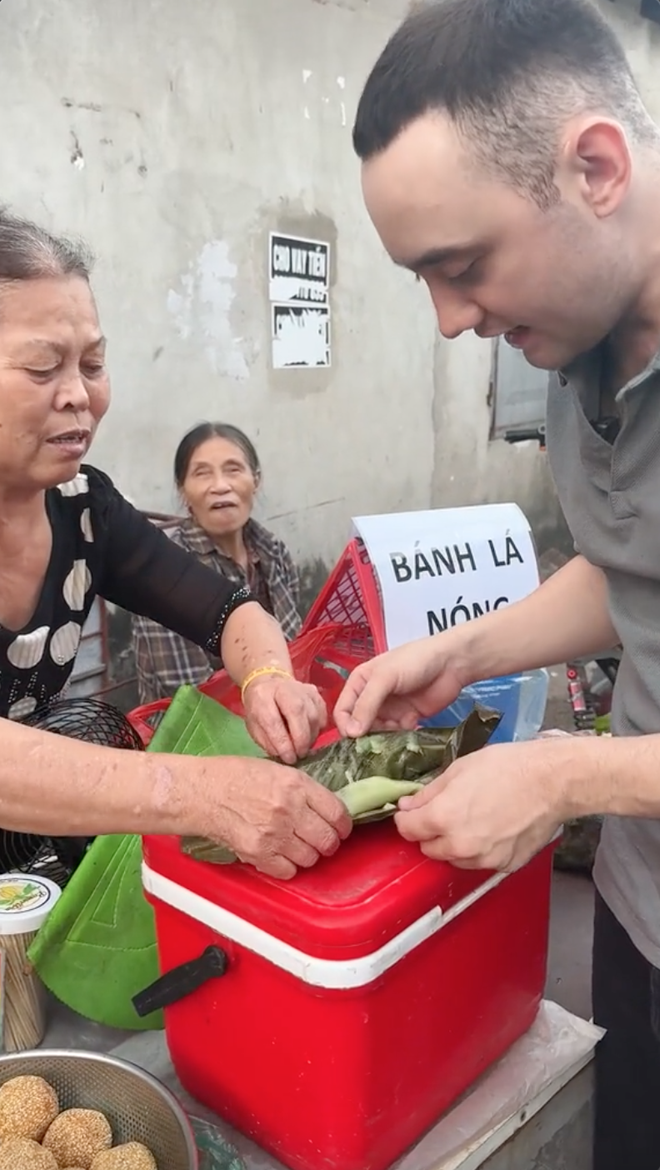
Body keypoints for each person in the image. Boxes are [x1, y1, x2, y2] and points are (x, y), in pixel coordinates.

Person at [335, 2, 660, 1166]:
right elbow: (633, 572)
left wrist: (564, 768)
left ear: (596, 167)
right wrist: (463, 650)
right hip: (641, 908)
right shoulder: (581, 351)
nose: (452, 319)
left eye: (462, 268)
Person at [0, 209, 350, 881]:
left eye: (94, 364)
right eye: (44, 368)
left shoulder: (84, 510)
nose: (81, 396)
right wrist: (197, 793)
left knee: (95, 728)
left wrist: (270, 678)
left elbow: (228, 612)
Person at [133, 422, 302, 704]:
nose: (220, 486)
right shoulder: (165, 567)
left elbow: (297, 649)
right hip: (196, 734)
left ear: (256, 481)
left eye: (233, 470)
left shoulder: (272, 550)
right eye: (202, 474)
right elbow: (192, 696)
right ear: (183, 490)